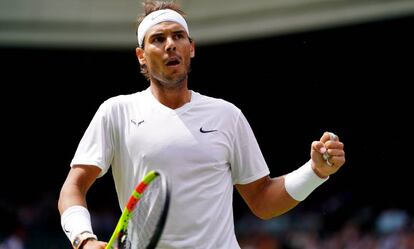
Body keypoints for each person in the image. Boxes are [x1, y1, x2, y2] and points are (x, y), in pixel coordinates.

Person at [57, 1, 346, 248]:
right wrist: (83, 238)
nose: (170, 45)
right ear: (141, 55)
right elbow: (73, 187)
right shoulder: (116, 112)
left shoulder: (227, 115)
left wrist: (316, 172)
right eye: (158, 39)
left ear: (191, 48)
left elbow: (263, 201)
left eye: (178, 36)